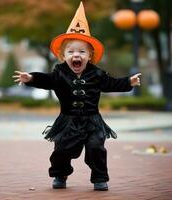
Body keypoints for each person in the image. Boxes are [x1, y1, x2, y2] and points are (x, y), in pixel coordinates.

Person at [13, 2, 141, 191]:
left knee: (96, 148)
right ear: (63, 55)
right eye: (71, 51)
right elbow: (47, 80)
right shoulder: (59, 73)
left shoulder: (97, 74)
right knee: (62, 150)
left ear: (90, 55)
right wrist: (31, 78)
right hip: (67, 121)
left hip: (92, 121)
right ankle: (60, 173)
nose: (76, 55)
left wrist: (127, 82)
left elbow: (111, 83)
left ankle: (99, 178)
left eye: (82, 52)